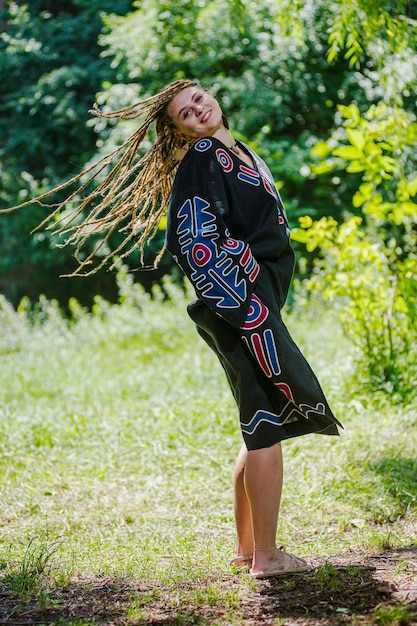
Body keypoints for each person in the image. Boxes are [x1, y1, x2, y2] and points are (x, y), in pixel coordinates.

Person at [2, 79, 342, 578]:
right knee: (266, 421)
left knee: (258, 423)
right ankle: (268, 558)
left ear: (212, 97)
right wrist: (246, 305)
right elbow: (193, 241)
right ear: (180, 132)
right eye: (186, 112)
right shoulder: (204, 156)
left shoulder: (238, 150)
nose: (198, 110)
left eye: (199, 99)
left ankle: (248, 551)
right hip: (244, 311)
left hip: (257, 304)